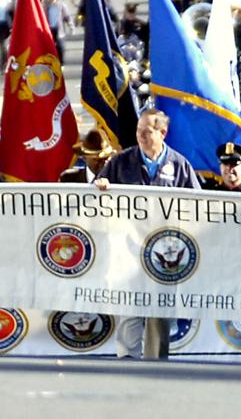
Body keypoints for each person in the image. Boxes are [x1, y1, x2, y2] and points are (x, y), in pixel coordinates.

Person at [94, 110, 202, 360]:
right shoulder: (121, 161)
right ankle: (127, 360)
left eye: (147, 131)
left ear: (162, 133)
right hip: (128, 247)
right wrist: (100, 187)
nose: (140, 136)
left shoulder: (179, 164)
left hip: (166, 251)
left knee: (158, 311)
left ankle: (156, 363)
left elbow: (198, 206)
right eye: (138, 130)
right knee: (128, 306)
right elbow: (98, 191)